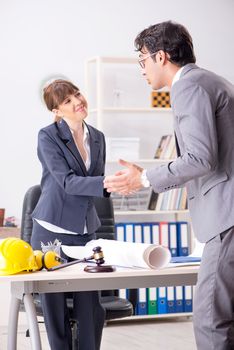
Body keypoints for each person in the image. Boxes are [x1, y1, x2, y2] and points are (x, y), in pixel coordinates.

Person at [104, 20, 234, 349]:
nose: (142, 69)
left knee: (210, 318)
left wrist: (144, 178)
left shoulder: (188, 86)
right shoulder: (211, 81)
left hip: (226, 217)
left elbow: (201, 158)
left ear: (161, 57)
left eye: (142, 60)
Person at [31, 78, 108, 350]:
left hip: (86, 231)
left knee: (90, 307)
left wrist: (113, 183)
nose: (77, 102)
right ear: (56, 111)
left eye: (77, 94)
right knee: (55, 310)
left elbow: (94, 182)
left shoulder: (97, 137)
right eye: (67, 101)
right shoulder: (48, 136)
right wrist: (109, 183)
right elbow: (67, 181)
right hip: (51, 231)